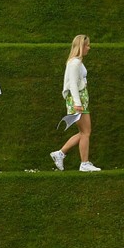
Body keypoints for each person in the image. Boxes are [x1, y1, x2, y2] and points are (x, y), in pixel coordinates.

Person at [50, 34, 101, 172]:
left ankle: (60, 154)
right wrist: (77, 103)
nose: (89, 48)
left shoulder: (77, 62)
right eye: (87, 45)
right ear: (81, 46)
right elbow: (72, 84)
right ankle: (84, 163)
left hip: (80, 100)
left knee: (85, 132)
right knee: (85, 132)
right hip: (76, 100)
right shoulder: (74, 63)